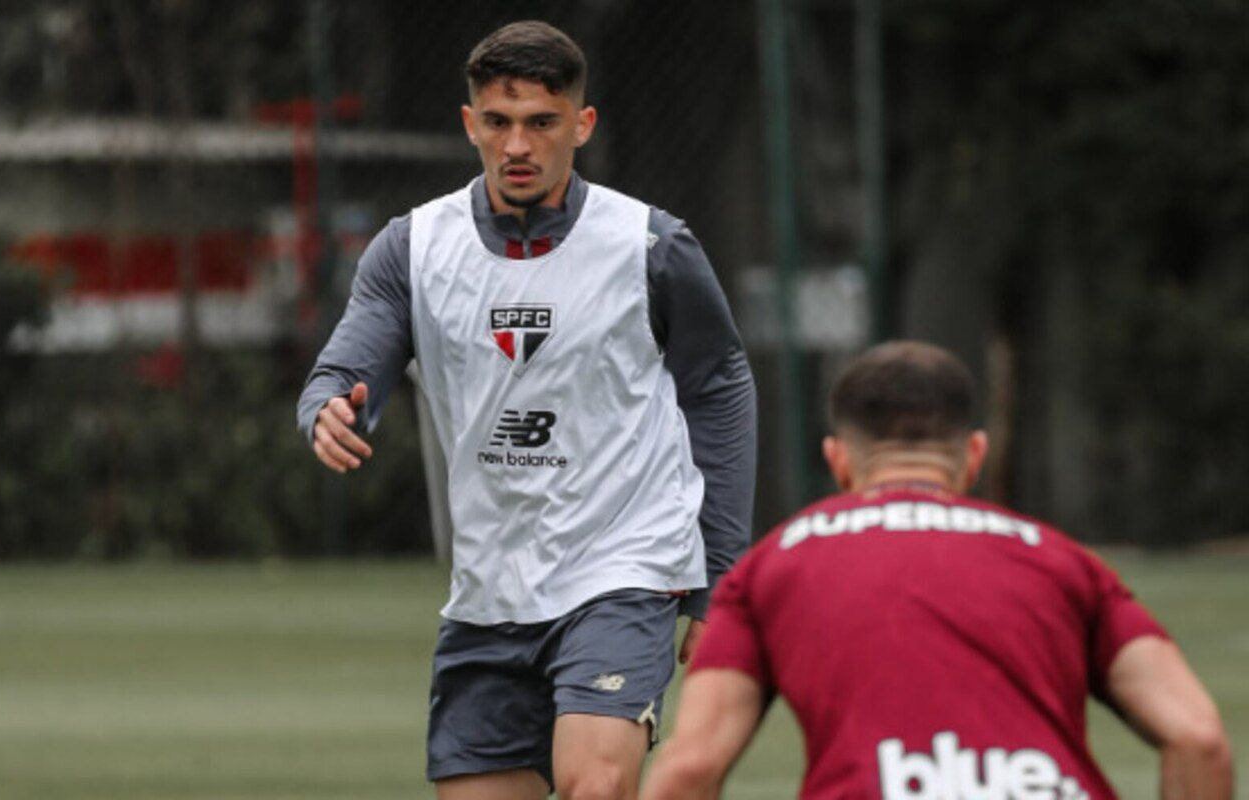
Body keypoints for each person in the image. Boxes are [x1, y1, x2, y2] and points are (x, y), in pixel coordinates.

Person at [296, 20, 756, 800]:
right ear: (469, 123)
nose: (518, 144)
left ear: (581, 126)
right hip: (490, 586)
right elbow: (347, 364)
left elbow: (718, 387)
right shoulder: (412, 248)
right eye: (500, 122)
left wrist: (720, 578)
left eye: (541, 123)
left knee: (596, 785)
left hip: (624, 566)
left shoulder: (650, 246)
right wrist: (328, 408)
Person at [642, 341, 1233, 800]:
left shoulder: (773, 566)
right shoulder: (1064, 560)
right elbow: (1199, 739)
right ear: (975, 454)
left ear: (838, 461)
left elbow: (691, 768)